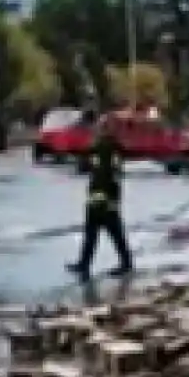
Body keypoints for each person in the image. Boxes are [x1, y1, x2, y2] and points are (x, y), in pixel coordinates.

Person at [68, 115, 133, 278]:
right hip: (97, 195)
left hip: (105, 196)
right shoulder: (102, 146)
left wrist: (113, 199)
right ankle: (84, 264)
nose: (97, 129)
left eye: (101, 127)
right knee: (92, 232)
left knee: (113, 231)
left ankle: (125, 263)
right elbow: (87, 164)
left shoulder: (109, 147)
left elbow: (111, 172)